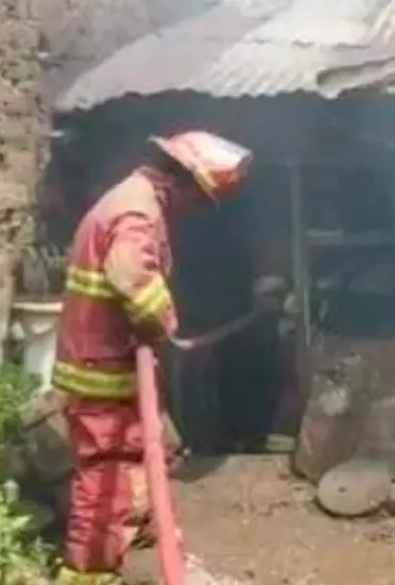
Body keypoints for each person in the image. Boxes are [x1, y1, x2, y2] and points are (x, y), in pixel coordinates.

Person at [53, 131, 254, 584]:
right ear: (181, 182)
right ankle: (87, 574)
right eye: (199, 199)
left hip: (108, 362)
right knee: (104, 475)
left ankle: (135, 551)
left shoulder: (133, 198)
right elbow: (129, 273)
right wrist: (162, 320)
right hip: (100, 370)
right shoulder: (136, 210)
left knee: (142, 460)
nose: (194, 210)